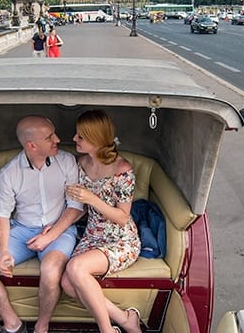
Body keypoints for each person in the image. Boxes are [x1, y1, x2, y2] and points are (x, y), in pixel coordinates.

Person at [0, 116, 84, 333]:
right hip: (21, 231)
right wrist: (3, 253)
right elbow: (1, 215)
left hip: (59, 228)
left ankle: (42, 325)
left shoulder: (67, 162)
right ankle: (13, 323)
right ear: (32, 145)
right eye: (50, 137)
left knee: (50, 269)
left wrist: (50, 236)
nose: (58, 139)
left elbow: (75, 207)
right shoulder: (8, 174)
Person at [61, 110, 141, 333]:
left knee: (76, 268)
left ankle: (107, 330)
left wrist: (92, 199)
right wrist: (56, 226)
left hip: (120, 239)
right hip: (93, 235)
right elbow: (78, 207)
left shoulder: (123, 170)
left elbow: (122, 217)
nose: (74, 139)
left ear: (97, 140)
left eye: (81, 137)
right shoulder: (81, 163)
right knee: (67, 283)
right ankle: (124, 319)